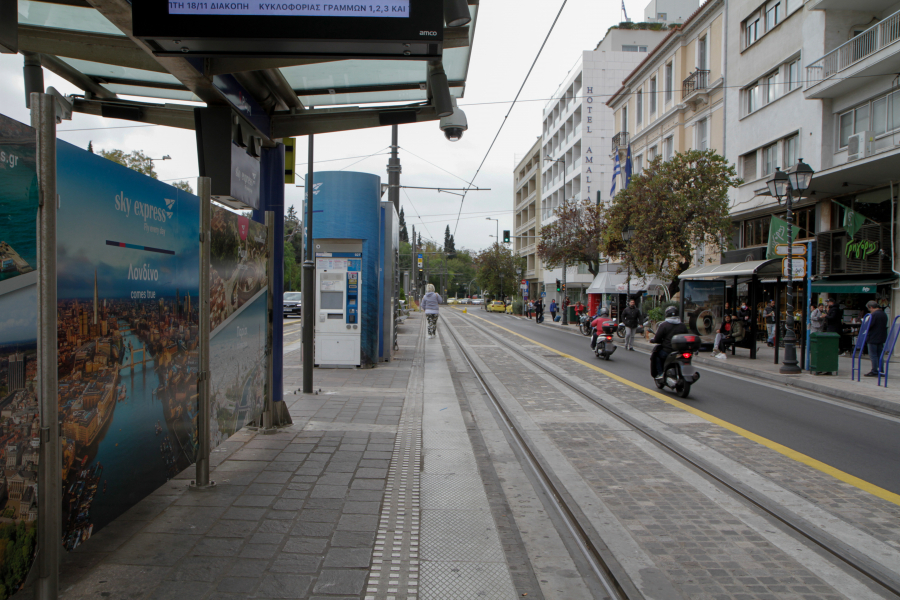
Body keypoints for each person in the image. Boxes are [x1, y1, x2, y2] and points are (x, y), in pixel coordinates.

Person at [650, 306, 689, 379]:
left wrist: (653, 340)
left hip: (668, 351)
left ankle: (660, 374)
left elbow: (657, 339)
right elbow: (687, 336)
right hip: (680, 351)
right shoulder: (682, 325)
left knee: (657, 355)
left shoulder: (664, 325)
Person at [864, 300, 888, 377]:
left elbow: (869, 325)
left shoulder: (873, 315)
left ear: (871, 307)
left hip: (873, 337)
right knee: (880, 355)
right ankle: (881, 370)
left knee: (873, 355)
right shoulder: (883, 314)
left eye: (869, 308)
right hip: (881, 337)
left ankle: (874, 370)